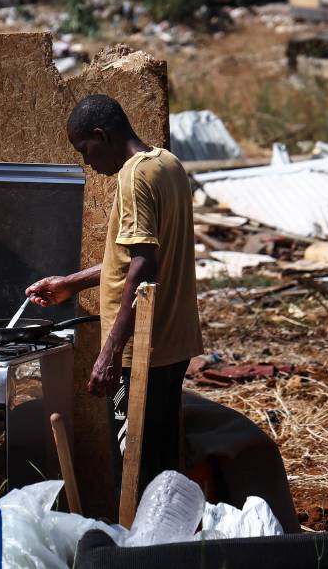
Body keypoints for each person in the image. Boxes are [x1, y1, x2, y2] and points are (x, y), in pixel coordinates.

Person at [25, 95, 202, 497]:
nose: (87, 162)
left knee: (134, 474)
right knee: (160, 467)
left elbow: (143, 266)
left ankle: (138, 538)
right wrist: (71, 283)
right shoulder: (167, 164)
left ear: (101, 136)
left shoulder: (133, 177)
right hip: (173, 346)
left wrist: (110, 352)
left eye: (84, 150)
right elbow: (136, 257)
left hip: (142, 354)